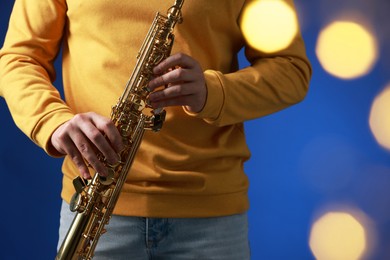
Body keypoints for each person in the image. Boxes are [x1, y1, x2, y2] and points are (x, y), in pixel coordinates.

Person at [0, 0, 311, 259]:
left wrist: (211, 91)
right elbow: (18, 58)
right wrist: (52, 121)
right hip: (94, 203)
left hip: (211, 221)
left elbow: (291, 69)